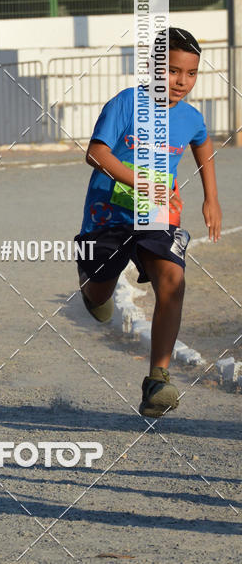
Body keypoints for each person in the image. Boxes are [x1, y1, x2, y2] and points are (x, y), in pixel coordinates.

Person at [74, 28, 221, 417]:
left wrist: (211, 197)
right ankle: (92, 290)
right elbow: (96, 153)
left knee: (173, 279)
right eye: (172, 71)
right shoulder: (126, 103)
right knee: (99, 295)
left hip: (157, 215)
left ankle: (158, 379)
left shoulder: (190, 117)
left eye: (191, 73)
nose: (182, 81)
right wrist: (143, 183)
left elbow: (202, 142)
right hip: (108, 216)